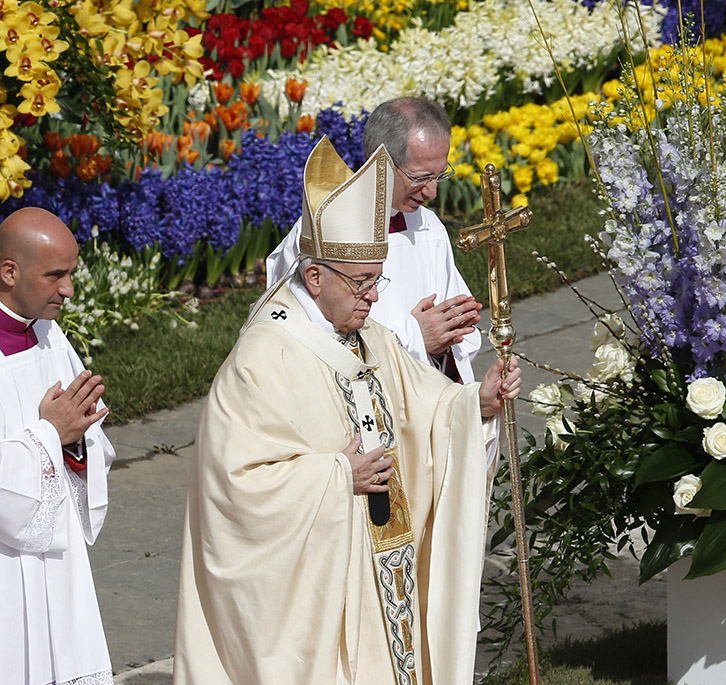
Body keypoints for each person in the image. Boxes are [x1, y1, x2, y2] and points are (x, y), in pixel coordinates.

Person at [174, 138, 521, 684]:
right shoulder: (264, 359)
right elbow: (234, 485)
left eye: (376, 279)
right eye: (361, 283)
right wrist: (338, 476)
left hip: (386, 560)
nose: (375, 297)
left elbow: (423, 406)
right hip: (326, 580)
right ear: (315, 278)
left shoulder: (368, 334)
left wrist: (475, 402)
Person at [267, 96, 483, 383]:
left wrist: (452, 333)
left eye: (439, 175)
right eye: (420, 177)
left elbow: (457, 344)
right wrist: (414, 338)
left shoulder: (428, 227)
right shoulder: (323, 236)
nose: (432, 192)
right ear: (380, 162)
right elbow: (299, 341)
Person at [0, 207, 116, 685]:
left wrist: (79, 438)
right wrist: (52, 434)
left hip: (59, 562)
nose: (68, 289)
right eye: (55, 275)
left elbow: (89, 442)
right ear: (9, 272)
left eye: (70, 273)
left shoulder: (49, 335)